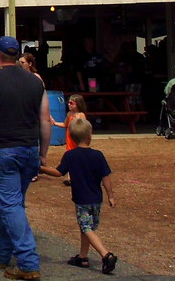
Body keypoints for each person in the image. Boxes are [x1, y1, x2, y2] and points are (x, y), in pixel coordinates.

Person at [0, 35, 50, 280]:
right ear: (17, 55)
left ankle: (27, 262)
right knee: (12, 202)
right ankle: (1, 253)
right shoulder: (36, 81)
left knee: (10, 204)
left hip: (3, 150)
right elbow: (45, 119)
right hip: (29, 150)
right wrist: (43, 153)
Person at [39, 118, 118, 275]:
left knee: (86, 227)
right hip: (96, 198)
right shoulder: (98, 155)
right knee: (88, 227)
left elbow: (58, 172)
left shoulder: (70, 155)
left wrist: (40, 168)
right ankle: (83, 257)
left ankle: (106, 255)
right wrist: (111, 196)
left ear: (72, 138)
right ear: (90, 136)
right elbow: (106, 177)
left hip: (82, 199)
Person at [51, 95, 87, 186]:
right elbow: (64, 124)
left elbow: (83, 128)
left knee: (78, 158)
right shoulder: (69, 114)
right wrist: (54, 123)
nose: (69, 104)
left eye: (71, 103)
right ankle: (71, 178)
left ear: (78, 104)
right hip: (70, 140)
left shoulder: (80, 115)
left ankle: (78, 177)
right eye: (69, 102)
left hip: (76, 140)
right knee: (71, 157)